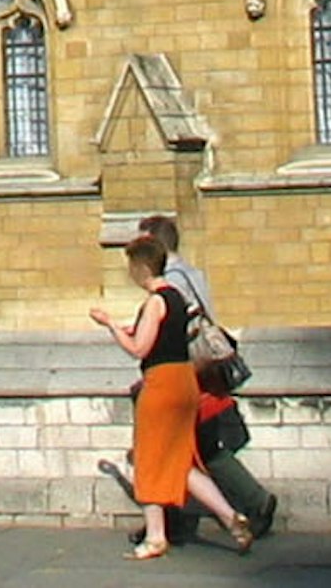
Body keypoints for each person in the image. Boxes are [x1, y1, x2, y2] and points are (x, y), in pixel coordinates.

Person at [88, 231, 248, 561]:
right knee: (181, 462)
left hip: (161, 385)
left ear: (141, 269)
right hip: (185, 381)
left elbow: (139, 349)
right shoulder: (176, 297)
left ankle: (155, 537)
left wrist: (110, 325)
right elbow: (166, 338)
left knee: (148, 459)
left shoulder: (154, 301)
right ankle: (232, 518)